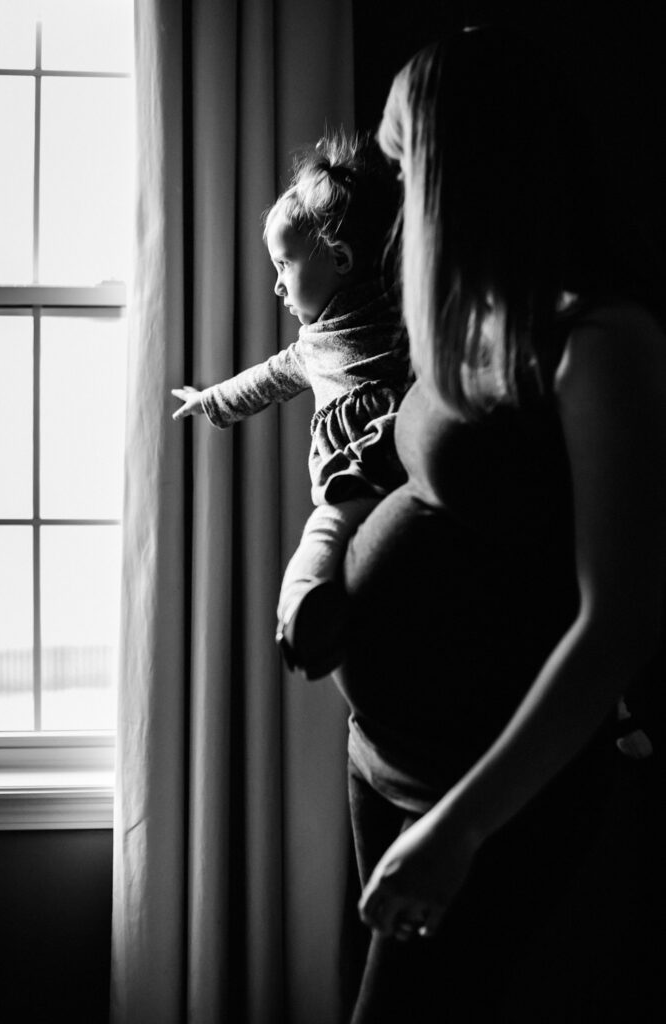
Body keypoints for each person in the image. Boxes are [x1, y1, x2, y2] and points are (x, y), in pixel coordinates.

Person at [333, 25, 666, 1022]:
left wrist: (458, 828)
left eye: (404, 164)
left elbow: (618, 624)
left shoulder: (597, 340)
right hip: (387, 757)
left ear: (451, 165)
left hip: (490, 790)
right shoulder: (468, 316)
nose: (398, 194)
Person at [172, 130, 409, 678]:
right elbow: (266, 378)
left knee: (327, 529)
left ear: (341, 258)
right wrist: (212, 399)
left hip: (375, 462)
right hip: (369, 467)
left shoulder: (395, 310)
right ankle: (310, 621)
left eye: (284, 266)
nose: (277, 286)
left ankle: (299, 615)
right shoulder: (311, 347)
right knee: (334, 532)